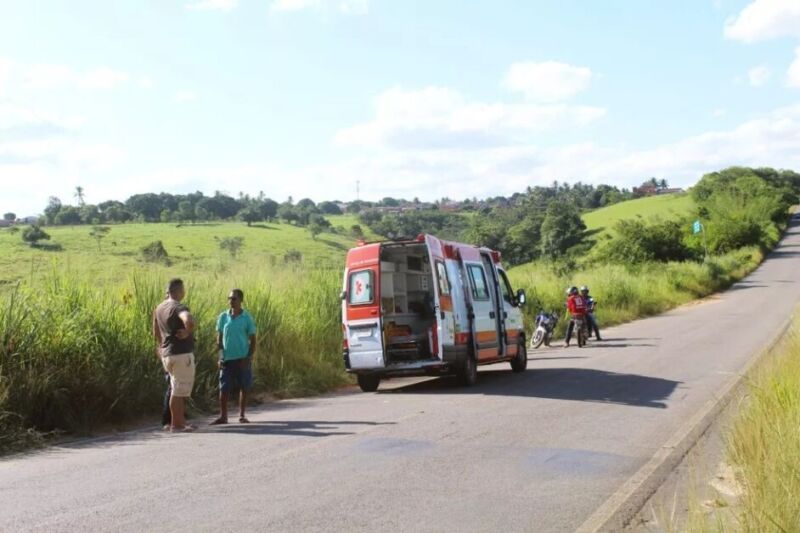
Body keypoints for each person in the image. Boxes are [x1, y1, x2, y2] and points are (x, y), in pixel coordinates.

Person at [152, 278, 197, 432]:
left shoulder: (159, 308)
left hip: (167, 354)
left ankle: (179, 421)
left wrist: (162, 347)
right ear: (178, 291)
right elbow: (189, 320)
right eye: (183, 289)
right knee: (178, 391)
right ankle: (176, 424)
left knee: (175, 388)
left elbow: (156, 331)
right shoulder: (178, 307)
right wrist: (187, 331)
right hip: (181, 354)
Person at [211, 289, 257, 425]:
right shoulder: (223, 317)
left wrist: (248, 357)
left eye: (234, 299)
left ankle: (242, 415)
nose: (231, 301)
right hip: (227, 359)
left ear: (241, 300)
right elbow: (219, 339)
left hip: (242, 358)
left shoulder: (247, 318)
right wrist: (220, 357)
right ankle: (223, 416)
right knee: (223, 387)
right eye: (229, 298)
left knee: (244, 386)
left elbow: (253, 340)